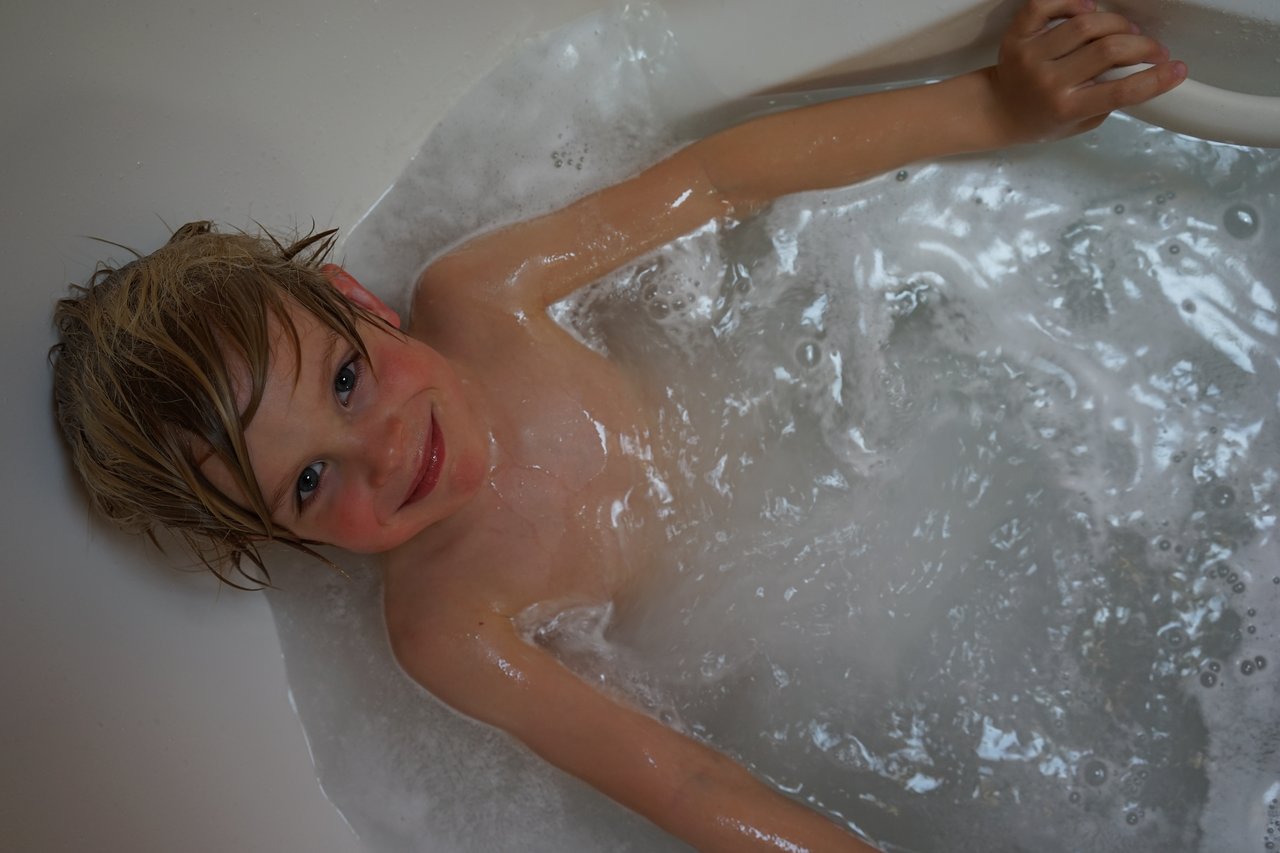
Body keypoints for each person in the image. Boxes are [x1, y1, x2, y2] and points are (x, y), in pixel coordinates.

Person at [51, 0, 1185, 849]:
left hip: (882, 432)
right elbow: (685, 783)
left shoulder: (482, 296)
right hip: (811, 628)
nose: (384, 451)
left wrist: (990, 106)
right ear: (281, 544)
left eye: (346, 382)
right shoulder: (445, 624)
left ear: (358, 301)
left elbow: (719, 181)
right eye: (308, 485)